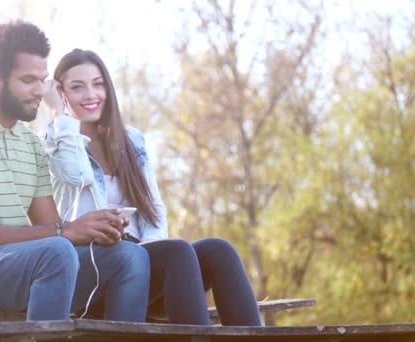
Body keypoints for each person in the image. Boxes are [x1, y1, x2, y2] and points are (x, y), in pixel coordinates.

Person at [0, 22, 150, 322]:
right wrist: (66, 231)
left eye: (43, 80)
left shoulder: (30, 144)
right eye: (28, 80)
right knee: (56, 251)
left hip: (22, 267)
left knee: (130, 257)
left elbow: (51, 226)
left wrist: (92, 228)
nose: (40, 91)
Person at [42, 48, 261, 326]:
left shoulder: (130, 138)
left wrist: (153, 248)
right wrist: (59, 114)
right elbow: (76, 175)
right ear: (60, 92)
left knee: (219, 250)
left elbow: (153, 205)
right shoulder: (53, 139)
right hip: (95, 267)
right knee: (177, 252)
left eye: (98, 84)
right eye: (77, 87)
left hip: (142, 258)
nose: (90, 95)